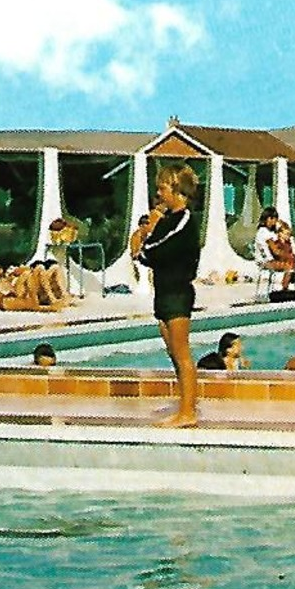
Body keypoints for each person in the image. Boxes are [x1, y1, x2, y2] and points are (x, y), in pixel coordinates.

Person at [134, 162, 201, 427]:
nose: (159, 194)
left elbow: (152, 250)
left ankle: (188, 412)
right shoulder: (167, 220)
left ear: (176, 188)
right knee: (173, 353)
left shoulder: (183, 218)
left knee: (182, 353)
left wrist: (151, 235)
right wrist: (150, 238)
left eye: (162, 188)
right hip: (164, 291)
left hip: (177, 292)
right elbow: (147, 252)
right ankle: (184, 406)